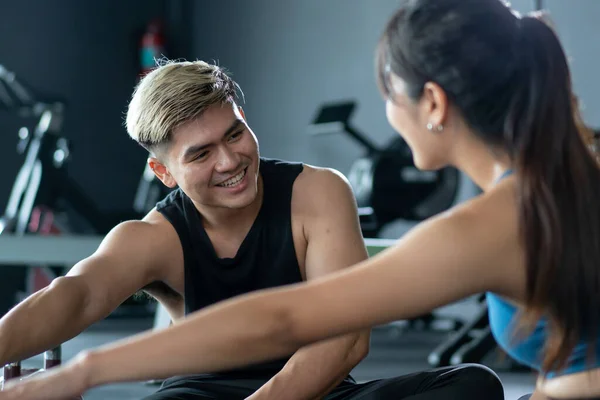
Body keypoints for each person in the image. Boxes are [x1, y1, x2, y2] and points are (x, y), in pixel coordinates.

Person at [3, 0, 599, 398]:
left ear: (435, 105)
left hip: (328, 391)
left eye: (235, 134)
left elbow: (296, 323)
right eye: (201, 153)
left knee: (471, 386)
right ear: (162, 171)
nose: (230, 160)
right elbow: (76, 293)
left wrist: (84, 373)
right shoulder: (568, 170)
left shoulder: (484, 223)